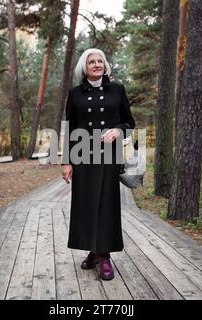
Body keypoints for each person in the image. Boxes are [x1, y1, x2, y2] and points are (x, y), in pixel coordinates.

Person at [61, 48, 136, 280]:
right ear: (84, 67)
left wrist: (117, 130)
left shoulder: (117, 90)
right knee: (85, 204)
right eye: (92, 62)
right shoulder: (74, 94)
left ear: (105, 65)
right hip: (83, 157)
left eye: (100, 61)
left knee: (106, 204)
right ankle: (92, 251)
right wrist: (66, 161)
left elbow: (129, 123)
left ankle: (104, 256)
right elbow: (70, 129)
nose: (97, 64)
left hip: (110, 157)